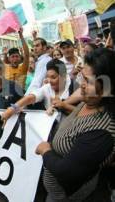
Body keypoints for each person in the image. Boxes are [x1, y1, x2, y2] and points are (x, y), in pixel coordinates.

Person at [35, 48, 115, 201]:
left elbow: (67, 173)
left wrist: (46, 150)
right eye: (82, 78)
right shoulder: (91, 99)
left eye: (88, 81)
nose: (81, 85)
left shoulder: (101, 133)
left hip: (70, 196)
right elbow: (78, 94)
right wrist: (64, 102)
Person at [1, 59, 76, 123]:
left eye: (53, 77)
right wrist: (13, 108)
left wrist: (63, 106)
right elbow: (30, 97)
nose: (49, 81)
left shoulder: (75, 87)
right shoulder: (47, 88)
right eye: (48, 77)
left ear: (63, 75)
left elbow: (83, 113)